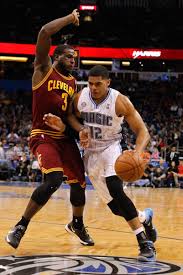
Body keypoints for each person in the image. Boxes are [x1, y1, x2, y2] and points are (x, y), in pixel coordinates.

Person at [44, 65, 157, 262]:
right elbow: (70, 115)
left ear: (107, 83)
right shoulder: (81, 97)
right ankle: (145, 217)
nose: (94, 88)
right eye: (90, 83)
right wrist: (80, 129)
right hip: (91, 152)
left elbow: (143, 131)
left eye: (98, 84)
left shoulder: (119, 101)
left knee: (116, 188)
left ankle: (144, 242)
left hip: (112, 147)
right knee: (115, 208)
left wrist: (138, 154)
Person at [5, 9, 94, 249]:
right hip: (42, 136)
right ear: (56, 57)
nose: (73, 61)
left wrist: (79, 130)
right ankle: (21, 226)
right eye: (68, 57)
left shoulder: (73, 82)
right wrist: (69, 19)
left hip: (64, 137)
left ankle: (77, 223)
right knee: (54, 179)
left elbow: (69, 116)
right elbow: (44, 31)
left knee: (79, 184)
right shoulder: (44, 69)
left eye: (75, 58)